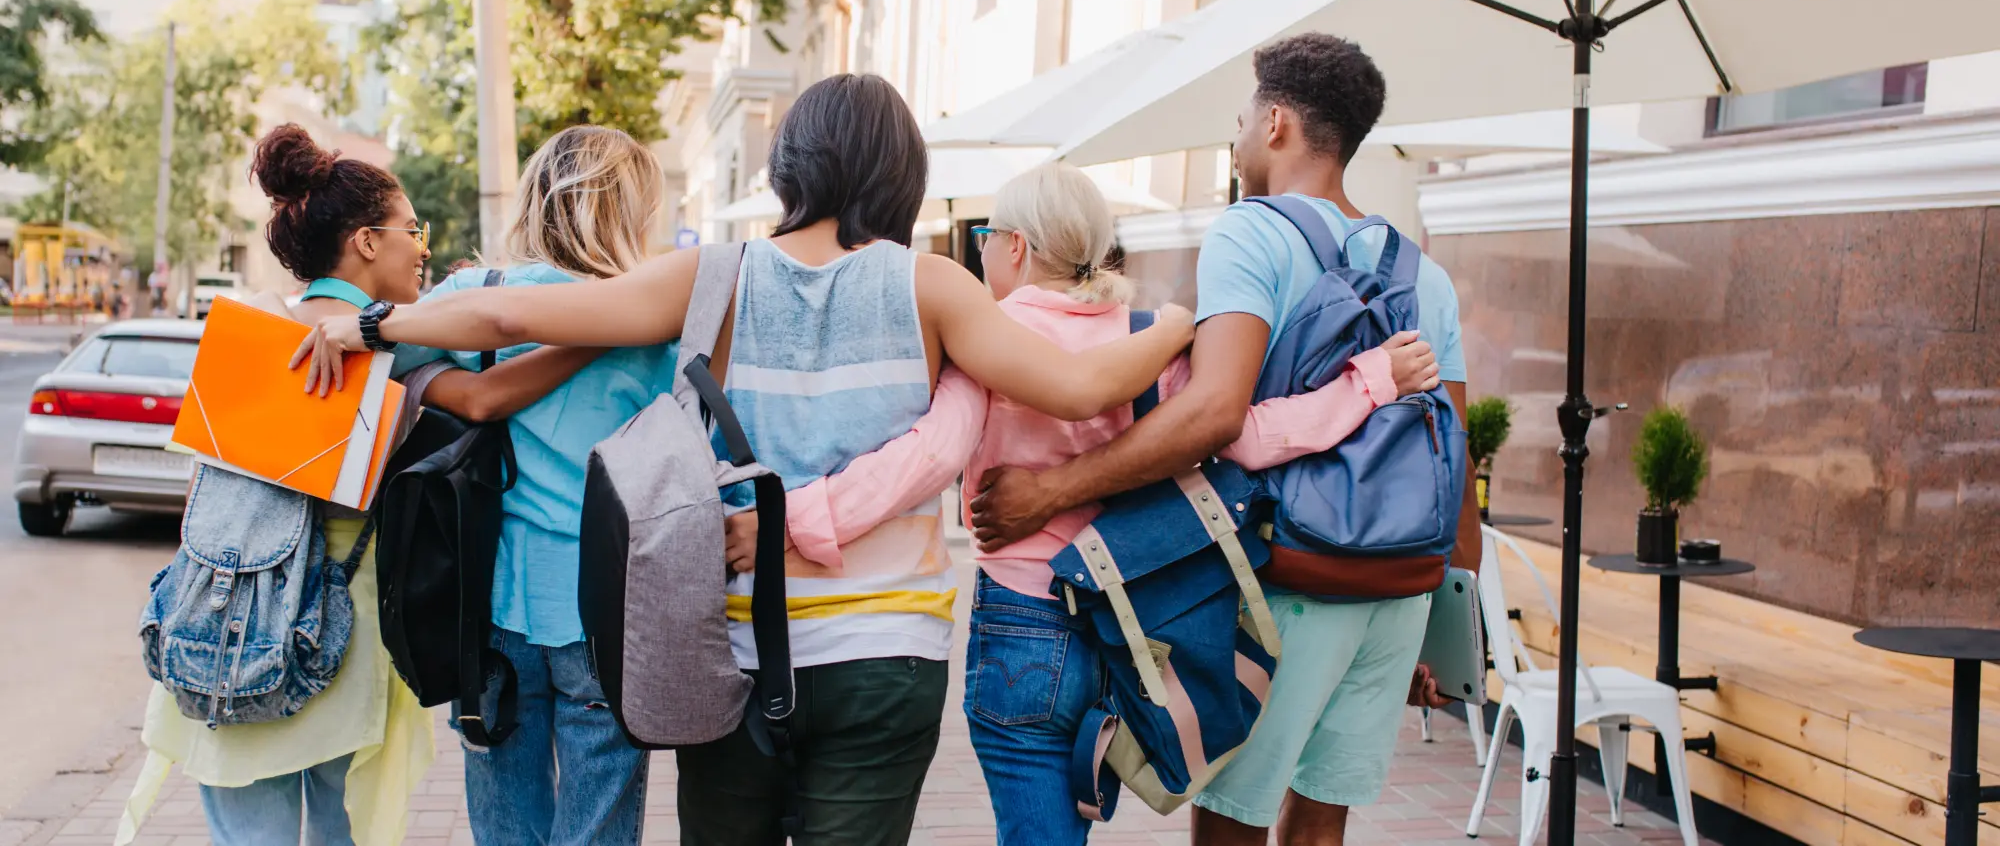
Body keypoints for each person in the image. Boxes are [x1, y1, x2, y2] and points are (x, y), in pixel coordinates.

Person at [289, 73, 1196, 846]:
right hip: (888, 650)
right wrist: (1182, 327)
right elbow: (1078, 387)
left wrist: (375, 322)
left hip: (734, 644)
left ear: (791, 164)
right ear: (900, 171)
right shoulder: (936, 287)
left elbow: (511, 317)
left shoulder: (713, 278)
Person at [728, 161, 1441, 846]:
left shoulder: (991, 338)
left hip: (1022, 619)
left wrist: (783, 523)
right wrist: (1372, 380)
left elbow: (928, 454)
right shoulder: (1147, 341)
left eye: (984, 239)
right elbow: (1249, 435)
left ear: (1015, 245)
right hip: (1132, 625)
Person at [970, 33, 1480, 846]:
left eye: (1241, 118)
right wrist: (1450, 616)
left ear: (1275, 122)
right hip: (1401, 589)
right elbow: (1454, 456)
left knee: (1232, 828)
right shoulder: (1426, 274)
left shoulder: (1253, 233)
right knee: (1319, 829)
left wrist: (1052, 491)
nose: (1237, 135)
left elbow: (1214, 415)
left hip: (1295, 576)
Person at [117, 124, 598, 846]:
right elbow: (485, 398)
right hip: (335, 638)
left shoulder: (247, 330)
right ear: (367, 242)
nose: (423, 245)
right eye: (412, 228)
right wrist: (593, 333)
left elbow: (202, 499)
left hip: (217, 627)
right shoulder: (391, 348)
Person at [390, 126, 671, 846]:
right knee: (599, 824)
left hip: (488, 606)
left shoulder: (473, 296)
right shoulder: (653, 316)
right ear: (630, 209)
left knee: (505, 825)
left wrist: (451, 386)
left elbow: (384, 365)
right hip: (609, 609)